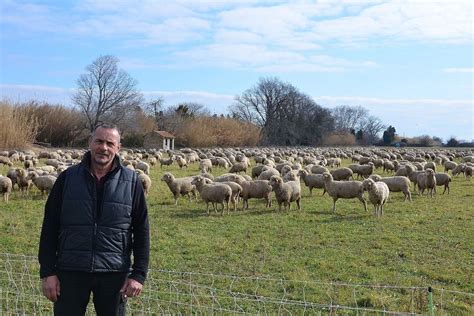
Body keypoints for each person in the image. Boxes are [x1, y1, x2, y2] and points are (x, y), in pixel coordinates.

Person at [38, 123, 150, 315]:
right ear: (90, 142)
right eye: (99, 141)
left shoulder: (131, 182)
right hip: (71, 270)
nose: (103, 147)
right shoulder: (67, 178)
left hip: (114, 273)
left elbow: (141, 230)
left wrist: (138, 274)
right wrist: (48, 272)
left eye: (110, 143)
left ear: (118, 147)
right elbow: (49, 227)